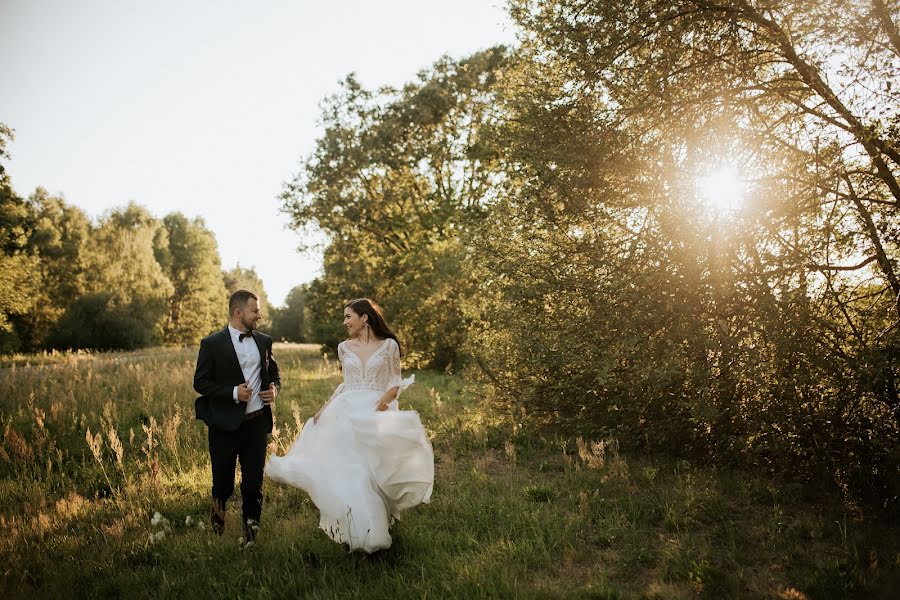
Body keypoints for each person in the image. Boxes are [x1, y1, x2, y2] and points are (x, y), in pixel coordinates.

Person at [266, 298, 433, 554]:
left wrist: (385, 400)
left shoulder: (389, 345)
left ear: (364, 317)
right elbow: (345, 384)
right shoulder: (344, 348)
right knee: (352, 470)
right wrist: (324, 409)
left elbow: (396, 381)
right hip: (346, 410)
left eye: (348, 316)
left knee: (374, 469)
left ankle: (377, 521)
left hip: (377, 410)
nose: (344, 322)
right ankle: (363, 532)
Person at [193, 290, 280, 549]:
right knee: (222, 483)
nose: (259, 315)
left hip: (256, 423)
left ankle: (251, 534)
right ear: (238, 312)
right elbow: (200, 382)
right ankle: (217, 530)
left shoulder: (264, 341)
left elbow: (273, 373)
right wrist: (233, 392)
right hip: (224, 426)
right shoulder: (212, 344)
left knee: (253, 484)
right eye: (255, 311)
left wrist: (274, 388)